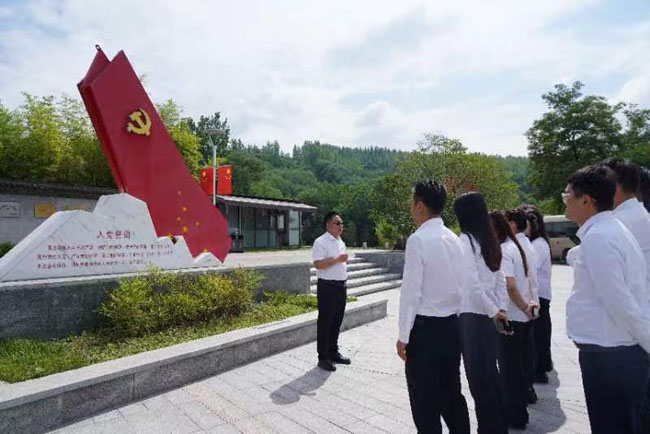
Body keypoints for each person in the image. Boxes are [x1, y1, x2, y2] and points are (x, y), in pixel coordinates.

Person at [563, 164, 650, 434]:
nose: (565, 201)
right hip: (612, 353)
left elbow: (619, 301)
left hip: (612, 357)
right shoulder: (609, 230)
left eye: (568, 195)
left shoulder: (600, 237)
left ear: (586, 200)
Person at [396, 179, 470, 434]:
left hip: (425, 332)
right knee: (451, 395)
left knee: (424, 402)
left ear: (419, 205)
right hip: (451, 327)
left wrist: (403, 336)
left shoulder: (418, 240)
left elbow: (410, 293)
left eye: (411, 203)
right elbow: (463, 285)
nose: (410, 208)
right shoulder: (454, 239)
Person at [454, 192, 509, 434]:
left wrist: (494, 310)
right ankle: (497, 426)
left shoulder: (465, 240)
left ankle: (489, 428)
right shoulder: (489, 239)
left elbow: (472, 284)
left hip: (472, 316)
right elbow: (499, 278)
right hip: (488, 316)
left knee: (479, 380)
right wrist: (499, 309)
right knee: (490, 375)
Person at [490, 211, 537, 430]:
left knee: (510, 371)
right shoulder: (517, 247)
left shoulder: (505, 250)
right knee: (518, 368)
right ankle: (519, 413)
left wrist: (524, 307)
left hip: (512, 318)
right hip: (522, 318)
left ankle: (514, 415)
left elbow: (510, 286)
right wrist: (529, 307)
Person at [505, 207, 540, 405]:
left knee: (513, 364)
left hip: (516, 311)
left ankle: (517, 404)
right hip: (529, 310)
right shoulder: (529, 246)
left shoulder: (509, 248)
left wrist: (523, 306)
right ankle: (527, 391)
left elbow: (511, 286)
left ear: (511, 224)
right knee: (526, 357)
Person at [312, 211, 351, 372]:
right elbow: (318, 264)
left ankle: (333, 352)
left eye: (342, 223)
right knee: (325, 322)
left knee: (337, 321)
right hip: (327, 287)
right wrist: (337, 259)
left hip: (341, 286)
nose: (341, 226)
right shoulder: (321, 242)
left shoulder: (340, 241)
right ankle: (323, 357)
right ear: (328, 225)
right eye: (337, 223)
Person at [525, 206, 554, 383]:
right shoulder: (537, 243)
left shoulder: (538, 245)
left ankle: (540, 368)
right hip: (538, 295)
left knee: (539, 335)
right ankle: (541, 365)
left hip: (539, 296)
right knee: (539, 334)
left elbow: (529, 268)